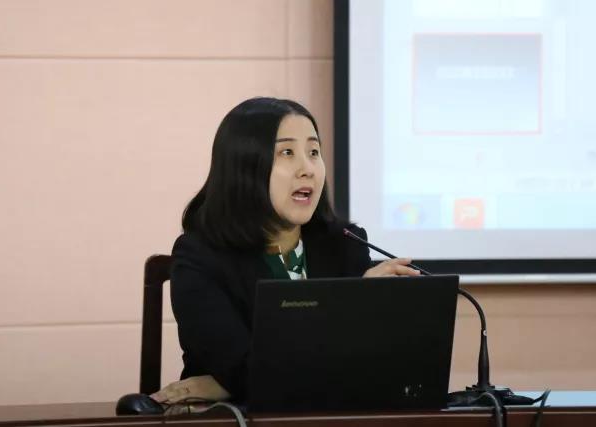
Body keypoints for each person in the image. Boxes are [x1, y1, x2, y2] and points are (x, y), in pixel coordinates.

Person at [152, 97, 420, 405]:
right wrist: (351, 317)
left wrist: (223, 386)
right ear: (244, 166)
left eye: (314, 152)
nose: (308, 169)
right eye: (287, 152)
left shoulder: (345, 244)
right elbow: (242, 371)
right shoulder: (200, 258)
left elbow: (376, 369)